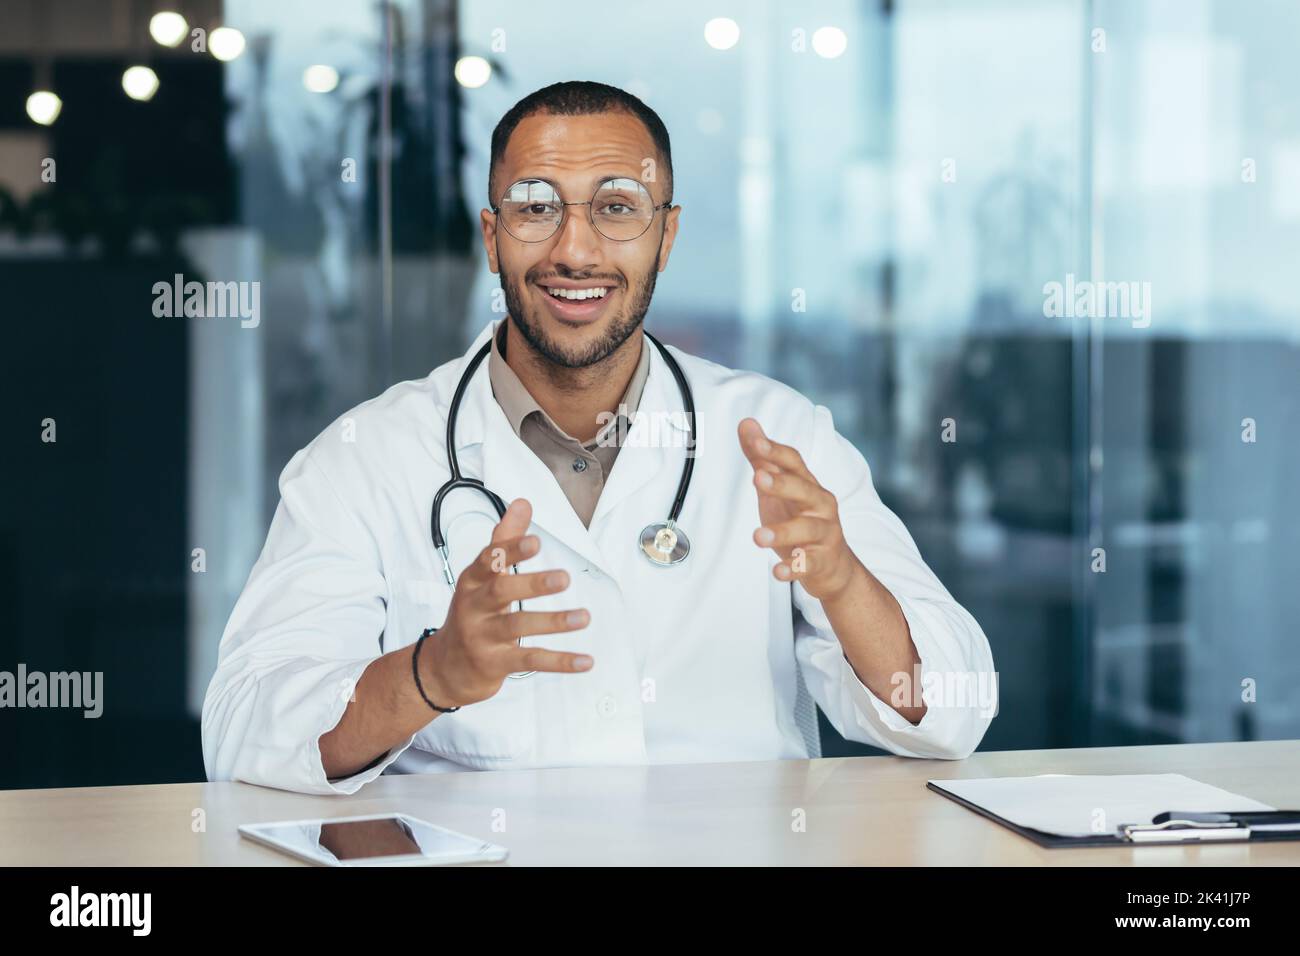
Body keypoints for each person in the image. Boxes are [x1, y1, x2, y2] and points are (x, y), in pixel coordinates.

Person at [202, 80, 996, 795]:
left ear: (667, 234)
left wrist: (845, 582)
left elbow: (953, 710)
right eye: (535, 206)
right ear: (491, 234)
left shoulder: (781, 436)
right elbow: (243, 729)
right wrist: (431, 672)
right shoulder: (367, 457)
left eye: (616, 208)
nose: (574, 250)